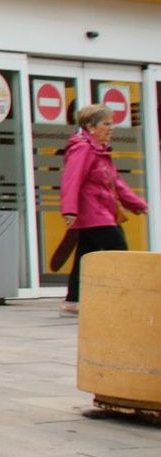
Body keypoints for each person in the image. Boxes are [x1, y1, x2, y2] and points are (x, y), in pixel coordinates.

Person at [58, 103, 147, 315]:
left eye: (112, 123)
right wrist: (69, 210)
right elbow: (71, 180)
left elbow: (116, 183)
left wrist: (137, 204)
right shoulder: (83, 149)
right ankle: (126, 297)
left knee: (85, 254)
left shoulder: (101, 152)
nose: (111, 128)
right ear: (90, 127)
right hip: (94, 214)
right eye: (106, 124)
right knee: (119, 250)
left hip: (102, 213)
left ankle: (73, 300)